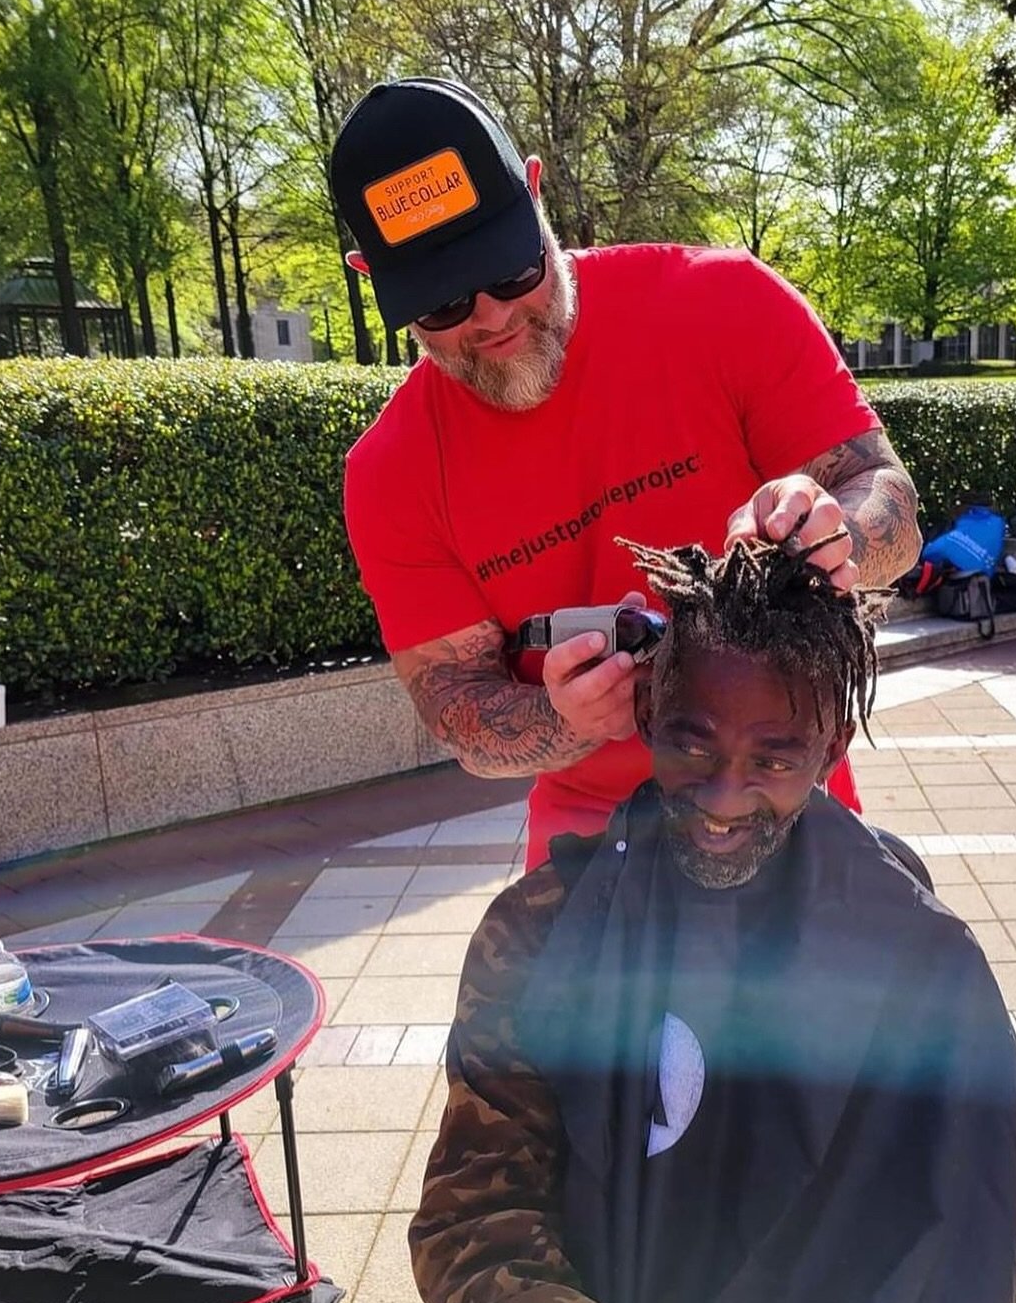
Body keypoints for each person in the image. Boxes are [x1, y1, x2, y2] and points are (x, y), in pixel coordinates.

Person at [408, 536, 1016, 1303]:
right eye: (693, 738)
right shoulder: (542, 935)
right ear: (648, 707)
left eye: (774, 756)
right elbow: (471, 1232)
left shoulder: (910, 947)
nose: (721, 792)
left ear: (832, 749)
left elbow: (993, 1230)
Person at [330, 78, 922, 870]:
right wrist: (565, 717)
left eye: (512, 269)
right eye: (442, 306)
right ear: (371, 275)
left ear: (535, 193)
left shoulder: (721, 304)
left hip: (790, 812)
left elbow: (892, 506)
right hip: (591, 847)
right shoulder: (391, 472)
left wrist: (837, 534)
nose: (495, 317)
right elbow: (457, 708)